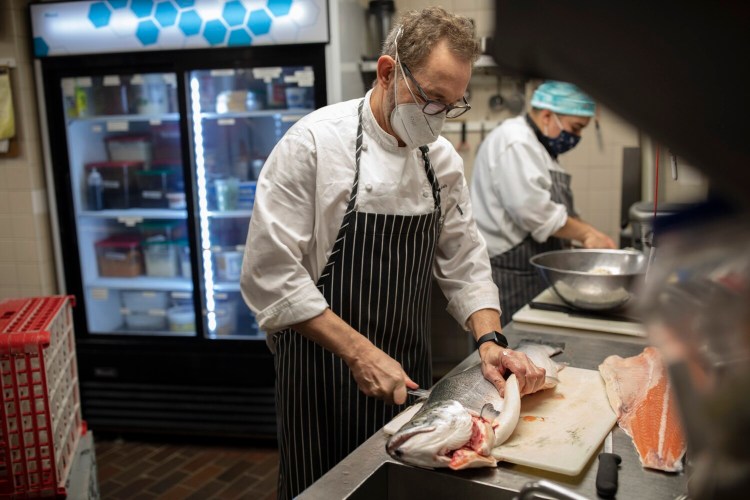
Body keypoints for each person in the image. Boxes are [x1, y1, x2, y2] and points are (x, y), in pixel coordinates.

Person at [240, 7, 546, 498]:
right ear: (388, 73)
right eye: (431, 100)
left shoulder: (441, 161)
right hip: (320, 373)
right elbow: (271, 277)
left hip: (407, 370)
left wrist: (490, 340)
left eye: (452, 106)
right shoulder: (314, 145)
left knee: (403, 489)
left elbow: (465, 261)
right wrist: (359, 352)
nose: (439, 119)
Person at [470, 81, 617, 325]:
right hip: (510, 274)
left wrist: (594, 236)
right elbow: (534, 211)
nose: (577, 136)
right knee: (510, 352)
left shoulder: (539, 148)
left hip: (530, 270)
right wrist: (587, 234)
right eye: (576, 127)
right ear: (548, 116)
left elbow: (560, 211)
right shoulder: (515, 141)